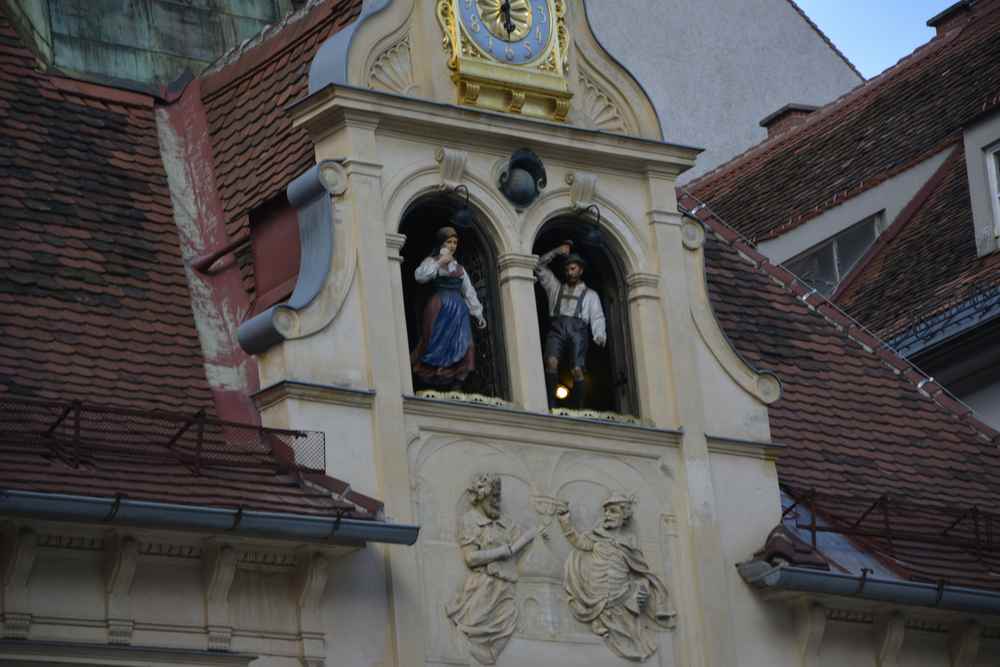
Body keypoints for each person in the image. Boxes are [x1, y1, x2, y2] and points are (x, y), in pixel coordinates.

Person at [557, 493, 674, 661]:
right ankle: (602, 625)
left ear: (624, 515)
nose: (607, 515)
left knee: (631, 633)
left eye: (613, 511)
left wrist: (642, 590)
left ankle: (636, 645)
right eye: (606, 512)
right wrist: (564, 520)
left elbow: (641, 572)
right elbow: (578, 542)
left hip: (621, 598)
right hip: (597, 598)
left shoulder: (628, 544)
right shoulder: (596, 538)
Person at [447, 473, 542, 665]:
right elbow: (470, 558)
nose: (498, 502)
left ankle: (490, 654)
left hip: (505, 586)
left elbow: (521, 538)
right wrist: (503, 551)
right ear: (481, 496)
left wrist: (536, 536)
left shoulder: (505, 523)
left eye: (499, 497)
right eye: (494, 497)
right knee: (474, 622)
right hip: (482, 586)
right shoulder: (470, 521)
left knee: (509, 617)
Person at [411, 226, 486, 390]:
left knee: (466, 344)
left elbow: (469, 291)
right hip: (439, 308)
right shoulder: (432, 262)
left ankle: (458, 383)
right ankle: (435, 379)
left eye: (455, 242)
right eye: (449, 241)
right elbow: (420, 276)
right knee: (436, 343)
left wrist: (478, 313)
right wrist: (439, 263)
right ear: (441, 243)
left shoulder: (459, 268)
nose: (452, 245)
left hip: (459, 311)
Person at [535, 242, 606, 408]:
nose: (570, 272)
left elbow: (597, 316)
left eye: (573, 269)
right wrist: (557, 251)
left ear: (580, 270)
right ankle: (550, 402)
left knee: (577, 370)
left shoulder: (590, 295)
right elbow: (538, 266)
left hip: (578, 330)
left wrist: (599, 334)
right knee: (551, 362)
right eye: (567, 269)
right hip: (557, 328)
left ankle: (578, 406)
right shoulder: (555, 288)